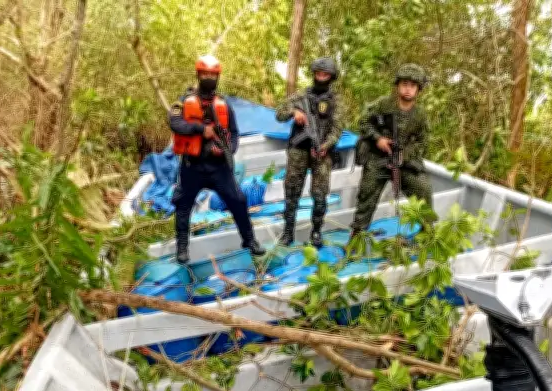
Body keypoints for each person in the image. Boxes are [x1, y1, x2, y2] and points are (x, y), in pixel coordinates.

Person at [168, 55, 265, 264]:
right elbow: (175, 123)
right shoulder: (183, 101)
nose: (209, 78)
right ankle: (182, 248)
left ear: (218, 77)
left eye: (213, 75)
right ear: (198, 75)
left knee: (238, 200)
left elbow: (234, 133)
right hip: (192, 165)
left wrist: (229, 149)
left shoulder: (224, 104)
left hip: (219, 167)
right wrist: (200, 129)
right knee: (183, 205)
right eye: (205, 74)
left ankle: (249, 240)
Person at [350, 63, 433, 237]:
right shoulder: (383, 104)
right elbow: (363, 122)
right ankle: (357, 235)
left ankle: (427, 232)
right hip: (378, 157)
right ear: (398, 86)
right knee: (367, 193)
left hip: (403, 161)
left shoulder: (420, 115)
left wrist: (405, 154)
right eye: (404, 84)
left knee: (423, 188)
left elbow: (423, 142)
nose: (408, 89)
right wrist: (378, 139)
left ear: (418, 89)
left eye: (412, 86)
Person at [275, 57, 344, 247]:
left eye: (325, 75)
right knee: (292, 191)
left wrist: (326, 145)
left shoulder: (336, 101)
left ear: (331, 77)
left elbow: (337, 128)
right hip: (298, 150)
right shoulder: (301, 96)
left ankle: (316, 232)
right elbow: (279, 113)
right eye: (318, 74)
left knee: (320, 195)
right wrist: (294, 112)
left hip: (322, 151)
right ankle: (288, 232)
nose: (321, 77)